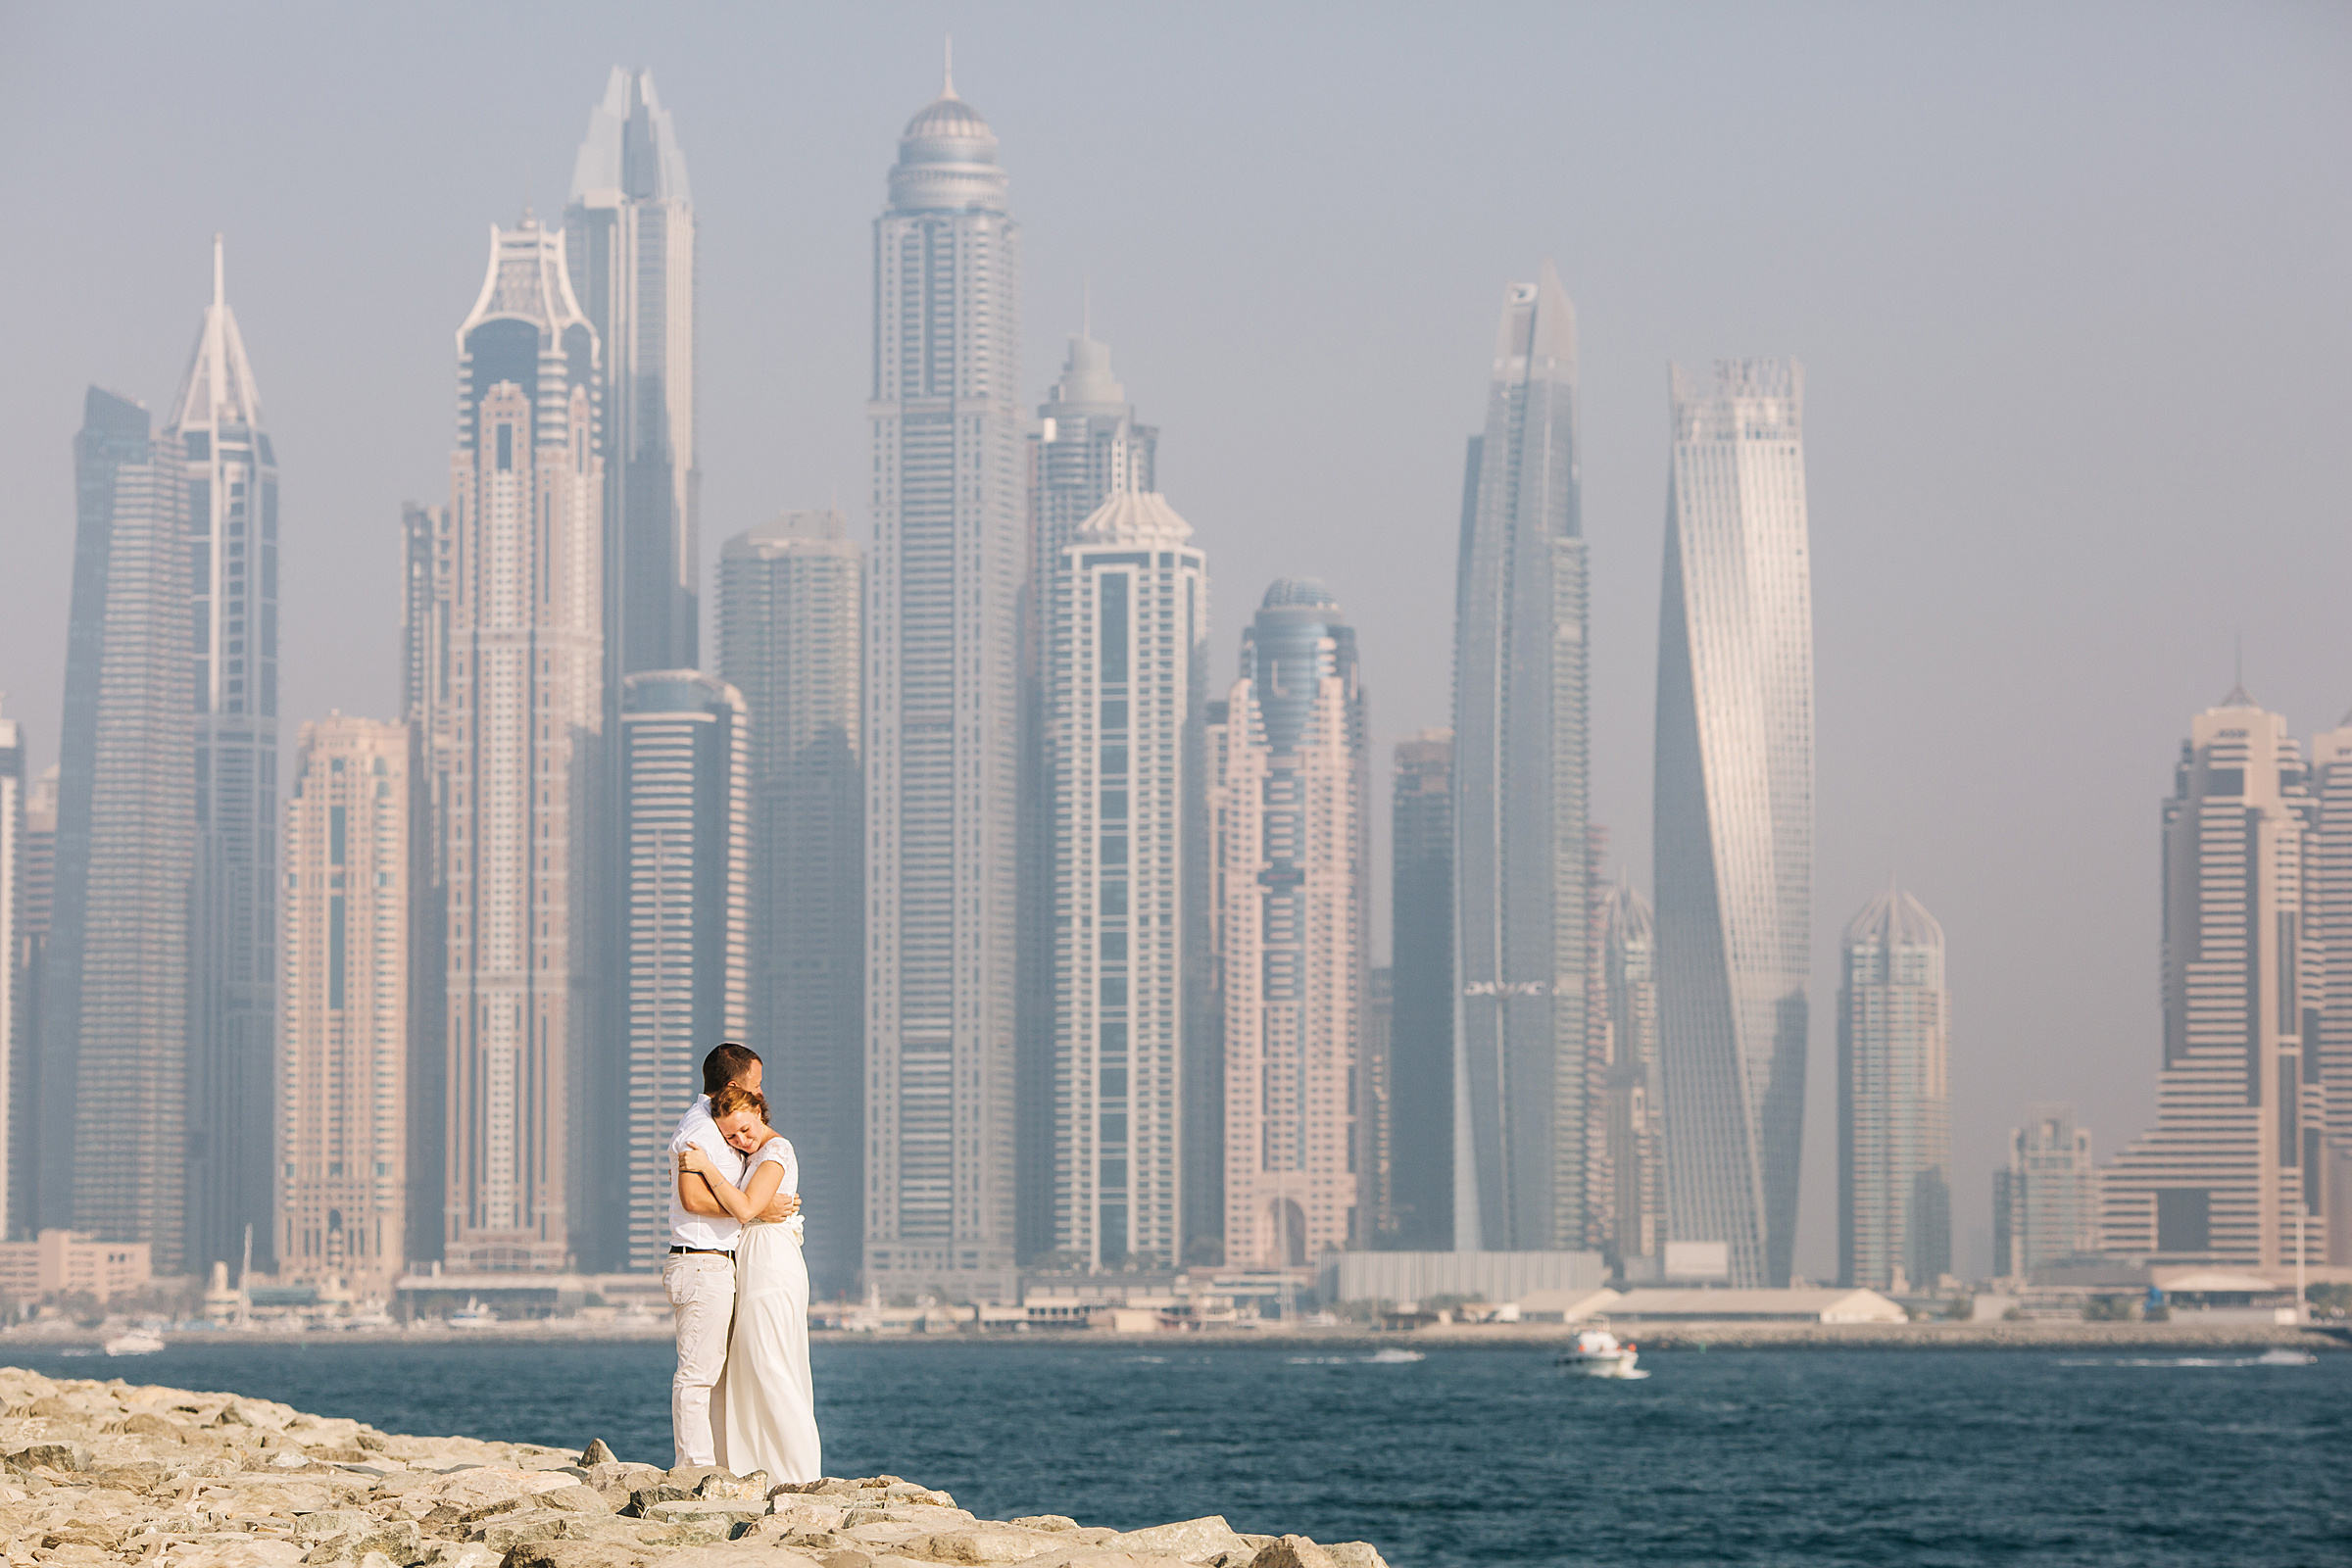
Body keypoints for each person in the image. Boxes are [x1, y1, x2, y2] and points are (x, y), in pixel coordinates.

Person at [666, 1043, 800, 1470]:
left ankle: (722, 1465)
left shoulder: (721, 1125)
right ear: (732, 1085)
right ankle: (696, 1469)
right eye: (755, 1084)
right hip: (701, 1260)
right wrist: (755, 1207)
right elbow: (690, 1198)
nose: (761, 1092)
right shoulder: (701, 1131)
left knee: (722, 1374)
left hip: (721, 1261)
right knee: (698, 1374)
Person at [682, 1086, 822, 1484]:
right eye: (731, 1137)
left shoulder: (776, 1152)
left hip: (771, 1265)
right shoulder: (755, 1154)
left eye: (744, 1129)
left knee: (772, 1366)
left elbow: (744, 1208)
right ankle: (759, 1470)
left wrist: (706, 1166)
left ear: (760, 1111)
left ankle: (798, 1475)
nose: (741, 1140)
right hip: (755, 1263)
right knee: (753, 1367)